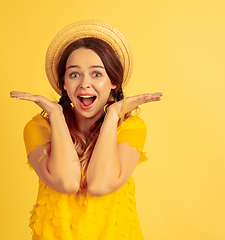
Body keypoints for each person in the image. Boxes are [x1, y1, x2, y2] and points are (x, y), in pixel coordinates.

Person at [10, 20, 162, 240]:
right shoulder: (39, 128)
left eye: (97, 74)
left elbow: (100, 185)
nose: (84, 84)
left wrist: (112, 116)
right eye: (74, 74)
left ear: (113, 82)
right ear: (63, 83)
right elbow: (67, 182)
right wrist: (55, 115)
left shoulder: (130, 128)